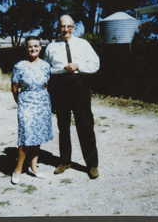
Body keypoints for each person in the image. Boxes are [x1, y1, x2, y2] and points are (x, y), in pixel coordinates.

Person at [44, 15, 100, 179]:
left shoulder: (83, 44)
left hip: (79, 83)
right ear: (58, 27)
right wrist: (60, 69)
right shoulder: (51, 47)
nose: (66, 30)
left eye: (69, 26)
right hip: (60, 86)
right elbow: (47, 68)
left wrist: (78, 66)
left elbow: (95, 64)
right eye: (62, 26)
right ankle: (65, 161)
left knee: (85, 124)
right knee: (63, 125)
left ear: (74, 27)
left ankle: (92, 165)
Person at [11, 36, 53, 185]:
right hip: (26, 104)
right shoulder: (19, 66)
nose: (33, 49)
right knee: (26, 137)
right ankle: (18, 169)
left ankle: (33, 168)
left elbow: (46, 85)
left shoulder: (46, 66)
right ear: (26, 49)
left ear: (41, 48)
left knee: (38, 135)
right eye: (30, 47)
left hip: (42, 104)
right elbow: (14, 88)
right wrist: (22, 103)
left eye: (36, 46)